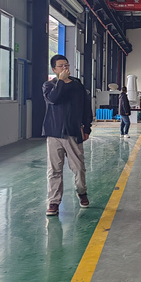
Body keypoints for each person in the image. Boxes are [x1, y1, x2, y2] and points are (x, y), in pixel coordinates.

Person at [42, 54, 93, 216]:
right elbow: (53, 99)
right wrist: (61, 82)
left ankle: (82, 192)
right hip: (54, 133)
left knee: (78, 167)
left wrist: (87, 128)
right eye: (61, 66)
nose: (65, 68)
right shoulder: (49, 86)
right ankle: (54, 202)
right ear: (54, 69)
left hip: (73, 132)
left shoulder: (77, 85)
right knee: (54, 170)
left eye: (67, 65)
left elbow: (86, 107)